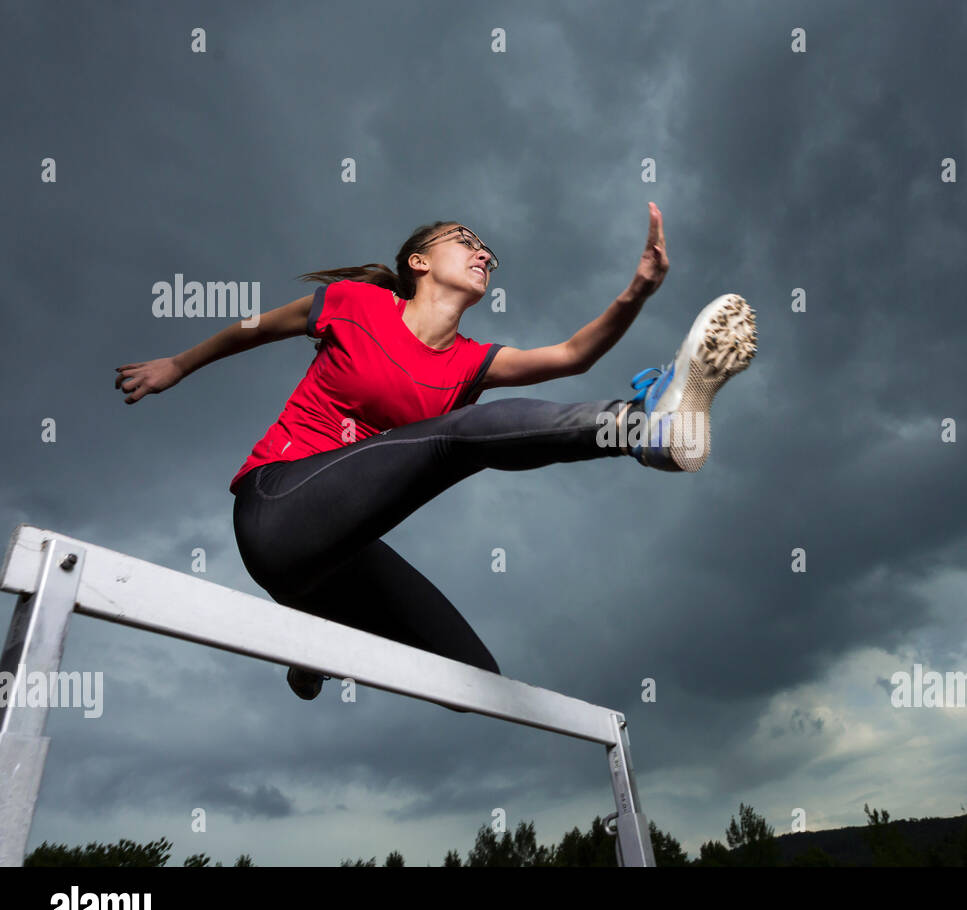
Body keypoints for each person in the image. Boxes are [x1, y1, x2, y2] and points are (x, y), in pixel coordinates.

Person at [113, 202, 756, 703]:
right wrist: (178, 363)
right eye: (465, 239)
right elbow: (254, 326)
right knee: (459, 435)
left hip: (337, 555)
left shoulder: (470, 362)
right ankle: (644, 429)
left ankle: (319, 640)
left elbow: (571, 356)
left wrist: (638, 290)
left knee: (472, 680)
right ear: (419, 261)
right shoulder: (357, 303)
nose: (483, 253)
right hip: (276, 507)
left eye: (488, 252)